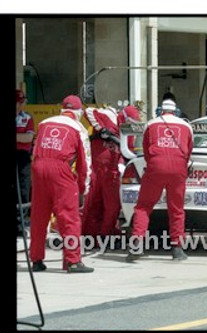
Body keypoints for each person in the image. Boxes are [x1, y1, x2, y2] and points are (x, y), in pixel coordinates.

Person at [29, 95, 94, 273]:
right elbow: (85, 163)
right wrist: (83, 189)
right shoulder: (79, 128)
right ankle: (73, 261)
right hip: (61, 169)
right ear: (78, 112)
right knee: (69, 216)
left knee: (39, 215)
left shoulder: (44, 123)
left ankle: (36, 259)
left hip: (38, 167)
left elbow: (35, 149)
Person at [127, 99, 193, 262]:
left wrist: (152, 165)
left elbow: (146, 149)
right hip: (178, 168)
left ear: (161, 111)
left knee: (143, 206)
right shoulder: (186, 126)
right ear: (175, 110)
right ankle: (177, 249)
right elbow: (189, 150)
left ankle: (137, 244)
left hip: (156, 165)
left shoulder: (151, 124)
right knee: (176, 209)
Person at [81, 105, 141, 239]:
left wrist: (121, 166)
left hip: (112, 171)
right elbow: (88, 112)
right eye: (129, 121)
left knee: (113, 206)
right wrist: (101, 129)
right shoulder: (110, 116)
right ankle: (89, 235)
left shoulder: (128, 133)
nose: (129, 124)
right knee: (92, 203)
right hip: (95, 169)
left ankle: (105, 235)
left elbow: (128, 153)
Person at [16, 89, 35, 235]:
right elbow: (22, 138)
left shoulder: (27, 118)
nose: (21, 105)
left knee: (23, 190)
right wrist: (19, 137)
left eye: (21, 102)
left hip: (23, 157)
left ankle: (20, 226)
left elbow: (28, 139)